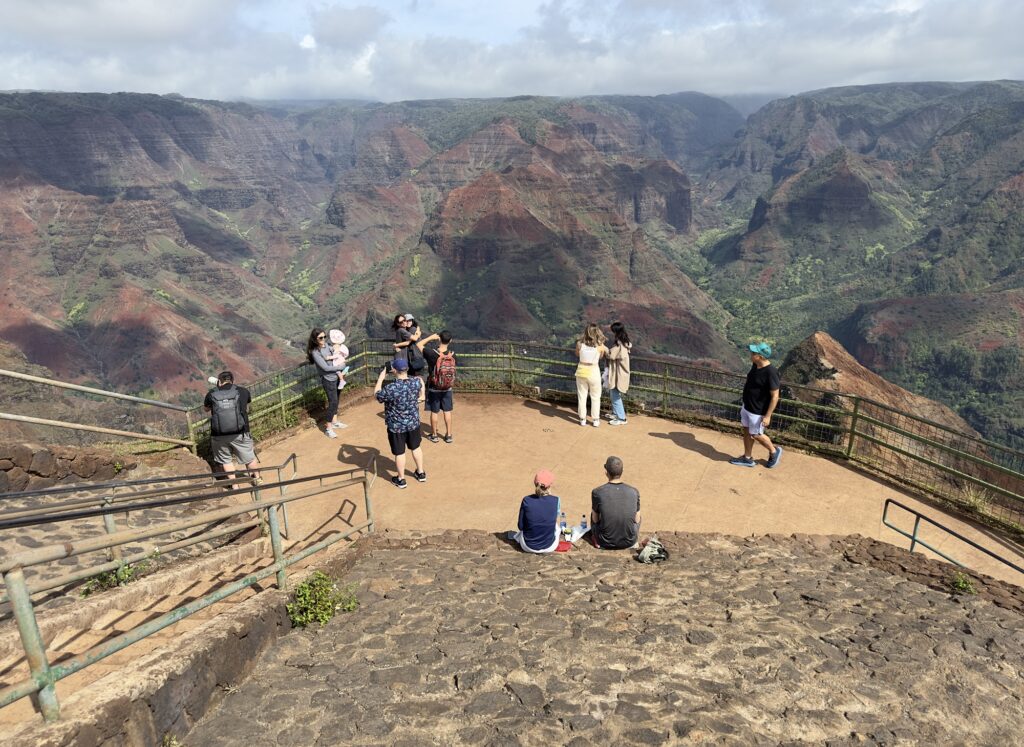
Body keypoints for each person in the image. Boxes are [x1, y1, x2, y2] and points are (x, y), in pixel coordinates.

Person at [730, 342, 783, 469]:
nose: (751, 354)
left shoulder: (771, 372)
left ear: (759, 356)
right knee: (747, 431)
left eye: (753, 353)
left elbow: (775, 396)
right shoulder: (755, 365)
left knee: (756, 434)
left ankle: (774, 451)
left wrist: (768, 416)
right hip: (747, 406)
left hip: (758, 411)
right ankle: (747, 458)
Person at [375, 357, 426, 489]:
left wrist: (381, 377)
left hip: (396, 427)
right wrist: (421, 396)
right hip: (413, 423)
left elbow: (377, 395)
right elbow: (421, 385)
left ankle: (401, 479)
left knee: (400, 453)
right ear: (407, 369)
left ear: (394, 370)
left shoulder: (391, 388)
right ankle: (421, 473)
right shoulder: (415, 382)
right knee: (416, 447)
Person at [203, 371, 261, 484]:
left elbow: (206, 409)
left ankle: (234, 486)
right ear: (232, 380)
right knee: (249, 457)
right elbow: (247, 403)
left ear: (219, 381)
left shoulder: (211, 393)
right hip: (241, 432)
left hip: (219, 435)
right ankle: (256, 478)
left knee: (226, 460)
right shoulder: (242, 391)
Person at [590, 456, 641, 550]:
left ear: (606, 473)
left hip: (605, 541)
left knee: (594, 512)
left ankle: (597, 540)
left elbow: (595, 520)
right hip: (629, 541)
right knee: (638, 514)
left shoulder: (597, 492)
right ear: (622, 471)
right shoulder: (634, 491)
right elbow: (637, 520)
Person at [306, 327, 347, 438]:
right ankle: (328, 428)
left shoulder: (328, 346)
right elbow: (325, 368)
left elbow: (336, 356)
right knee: (333, 402)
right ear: (315, 339)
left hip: (338, 376)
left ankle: (335, 421)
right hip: (328, 379)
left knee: (336, 400)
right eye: (320, 338)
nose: (323, 339)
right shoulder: (315, 352)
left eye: (325, 336)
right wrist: (341, 366)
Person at [417, 330, 456, 443]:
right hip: (447, 387)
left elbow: (419, 344)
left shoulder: (431, 353)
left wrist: (430, 337)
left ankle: (434, 435)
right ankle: (448, 435)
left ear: (439, 339)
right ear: (450, 341)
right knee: (447, 411)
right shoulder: (452, 354)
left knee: (434, 412)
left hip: (434, 387)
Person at [510, 470, 561, 553]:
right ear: (549, 486)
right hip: (549, 546)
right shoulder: (556, 500)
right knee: (557, 527)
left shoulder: (526, 500)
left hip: (527, 546)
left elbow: (520, 526)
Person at [575, 323, 608, 427]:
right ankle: (595, 420)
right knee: (595, 396)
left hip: (581, 371)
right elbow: (601, 357)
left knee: (582, 396)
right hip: (593, 371)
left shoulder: (579, 344)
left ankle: (582, 419)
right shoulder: (600, 346)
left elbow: (577, 354)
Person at [605, 321, 632, 426]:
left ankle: (621, 418)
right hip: (619, 373)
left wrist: (604, 349)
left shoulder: (620, 344)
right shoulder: (624, 342)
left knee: (615, 395)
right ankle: (616, 413)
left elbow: (611, 355)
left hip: (618, 374)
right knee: (613, 393)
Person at [393, 313, 427, 378]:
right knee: (415, 377)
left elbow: (409, 342)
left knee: (415, 377)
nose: (408, 322)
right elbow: (409, 341)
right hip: (411, 358)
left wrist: (397, 345)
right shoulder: (405, 330)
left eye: (410, 320)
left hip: (415, 357)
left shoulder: (412, 329)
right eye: (407, 320)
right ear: (398, 323)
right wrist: (418, 333)